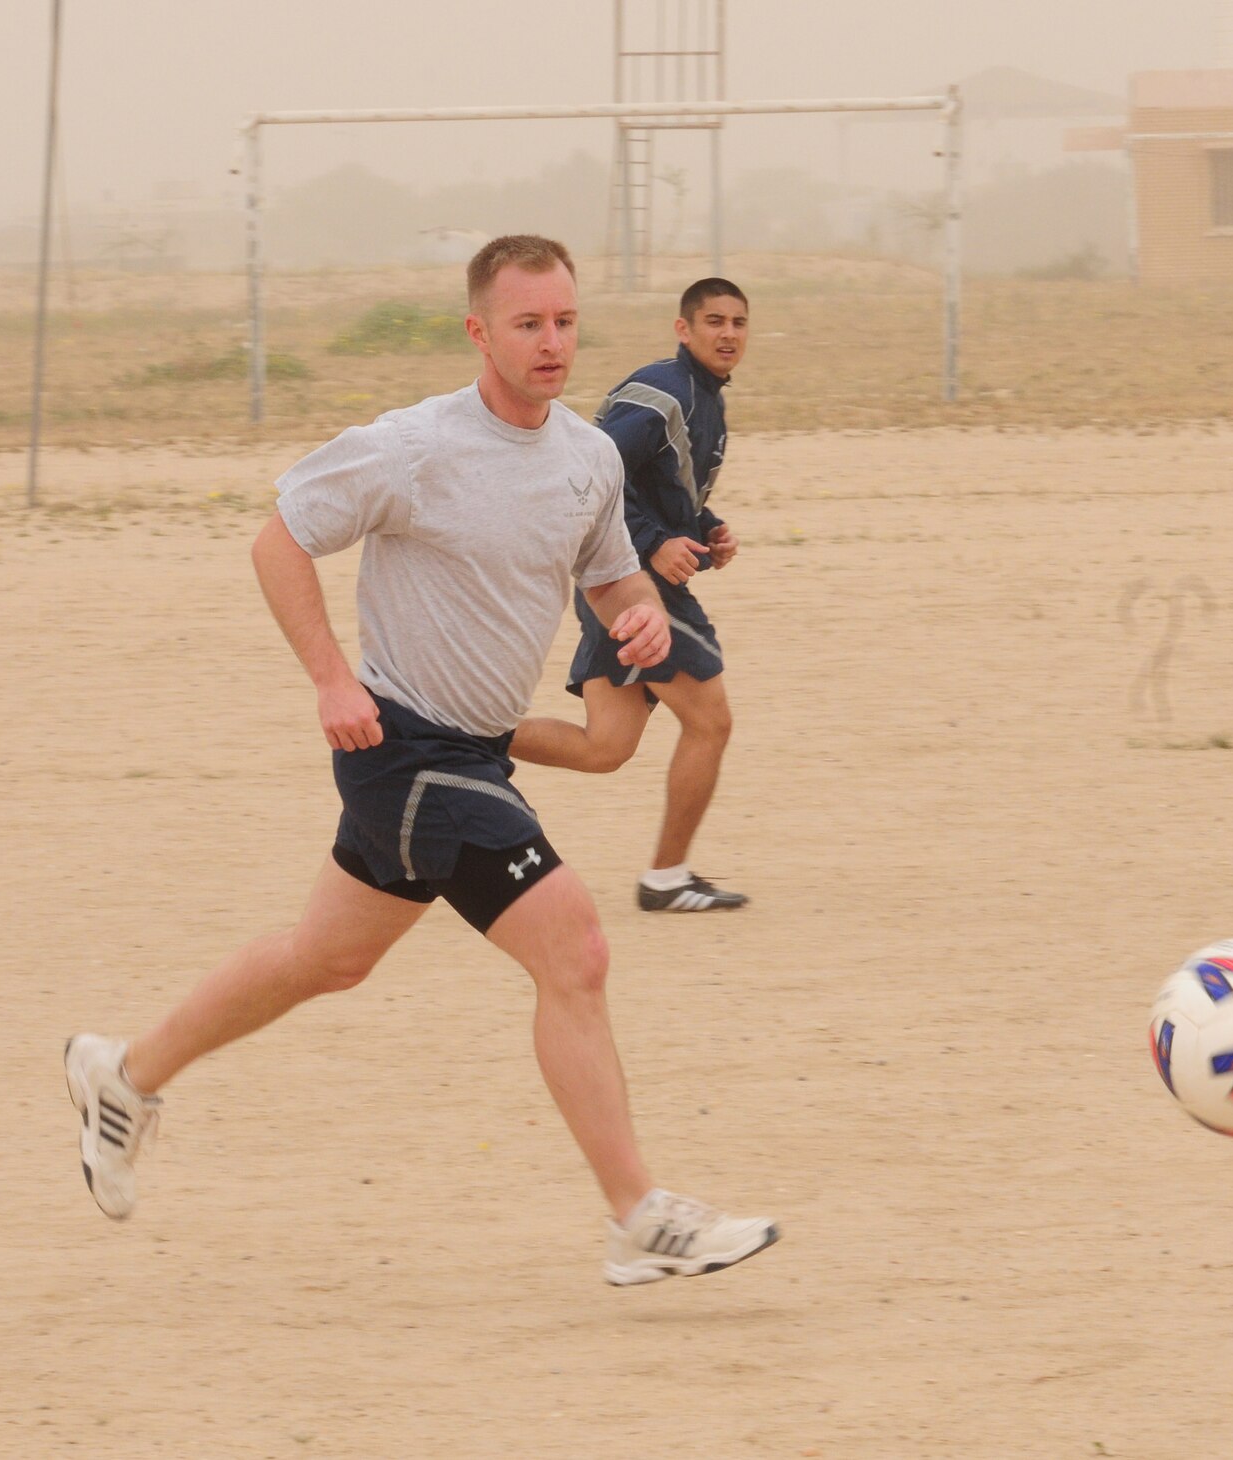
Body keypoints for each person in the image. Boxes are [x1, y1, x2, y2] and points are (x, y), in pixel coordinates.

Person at [63, 236, 779, 1284]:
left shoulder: (586, 457)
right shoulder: (411, 446)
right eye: (527, 323)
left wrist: (641, 626)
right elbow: (279, 540)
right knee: (574, 949)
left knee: (326, 958)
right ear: (478, 331)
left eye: (565, 321)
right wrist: (329, 678)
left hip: (474, 755)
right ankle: (637, 1213)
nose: (551, 342)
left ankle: (123, 1074)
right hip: (401, 749)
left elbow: (614, 580)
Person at [512, 279, 751, 913]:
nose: (728, 334)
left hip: (619, 577)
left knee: (605, 748)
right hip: (629, 586)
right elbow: (594, 473)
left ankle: (458, 731)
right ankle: (668, 878)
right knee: (711, 721)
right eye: (713, 322)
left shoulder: (704, 399)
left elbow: (656, 484)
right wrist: (652, 544)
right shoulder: (666, 392)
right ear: (683, 329)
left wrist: (703, 528)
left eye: (738, 323)